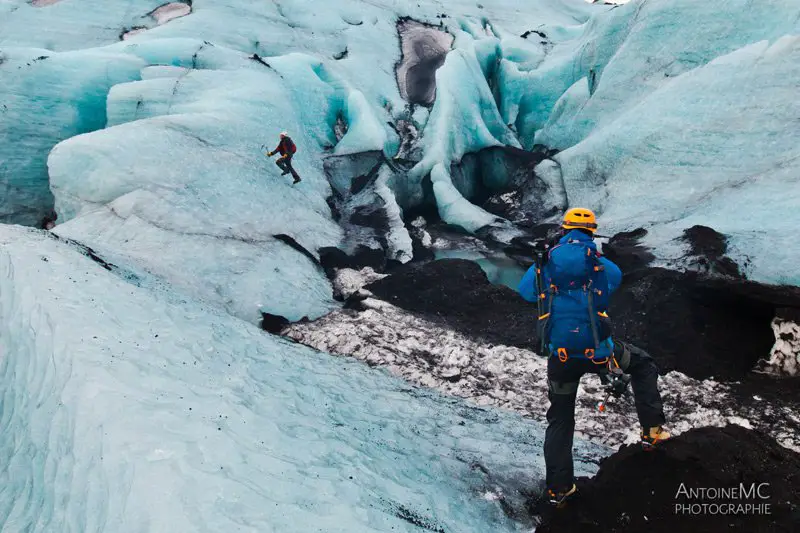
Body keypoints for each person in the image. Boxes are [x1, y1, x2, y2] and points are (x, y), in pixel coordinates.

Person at [518, 207, 669, 507]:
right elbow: (615, 281)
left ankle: (559, 489)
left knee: (560, 419)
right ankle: (652, 432)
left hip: (561, 357)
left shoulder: (544, 264)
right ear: (591, 233)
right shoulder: (602, 265)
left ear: (563, 230)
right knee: (642, 364)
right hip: (601, 353)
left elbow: (526, 293)